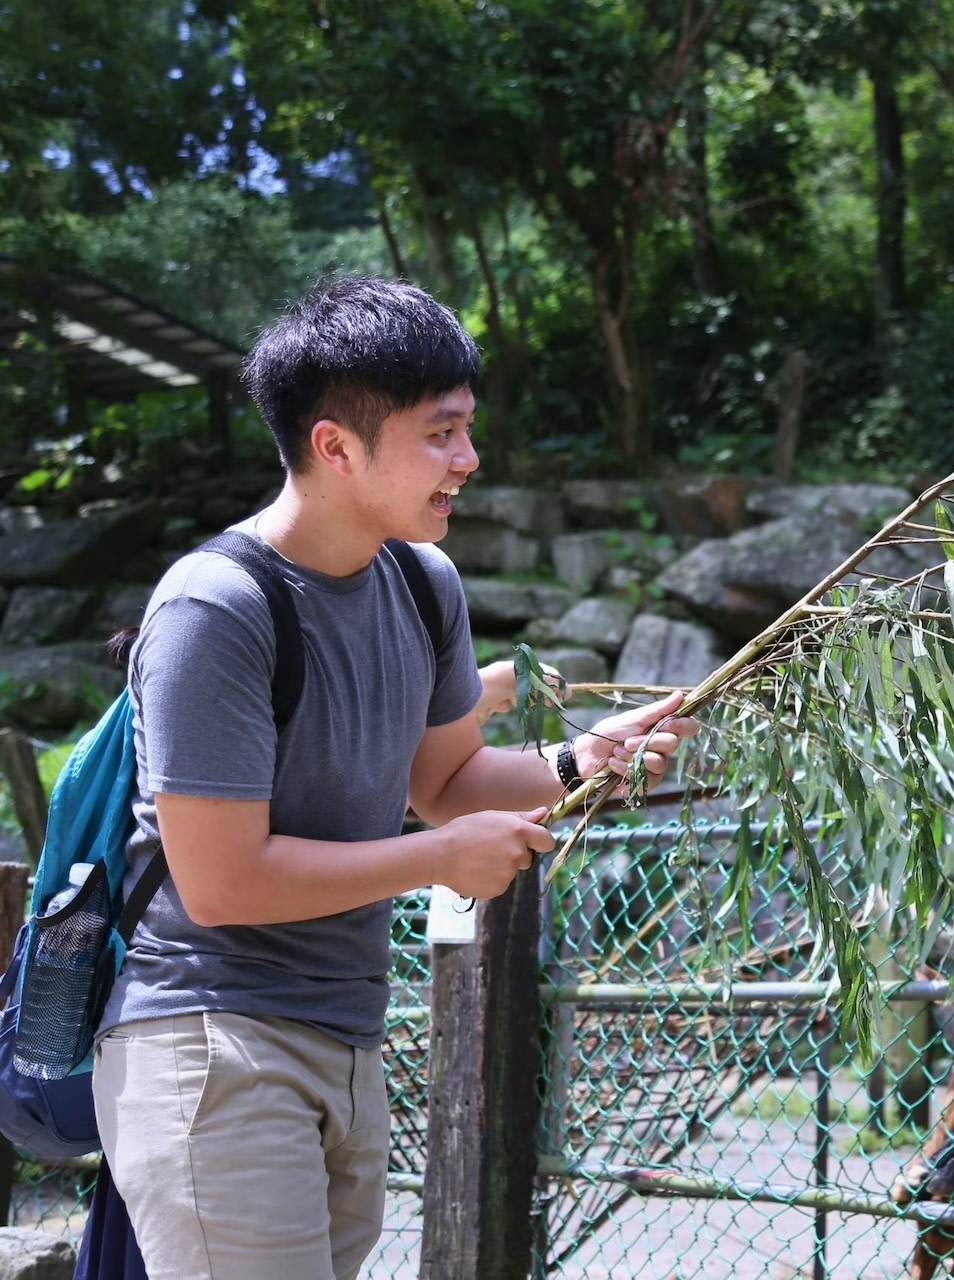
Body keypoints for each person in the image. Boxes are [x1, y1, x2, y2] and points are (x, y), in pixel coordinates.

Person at [92, 275, 700, 1280]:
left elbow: (449, 781)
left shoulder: (422, 580)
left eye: (468, 430)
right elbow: (222, 882)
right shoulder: (214, 607)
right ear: (336, 446)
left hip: (348, 1038)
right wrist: (438, 860)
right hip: (214, 1041)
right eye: (441, 433)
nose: (469, 459)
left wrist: (580, 759)